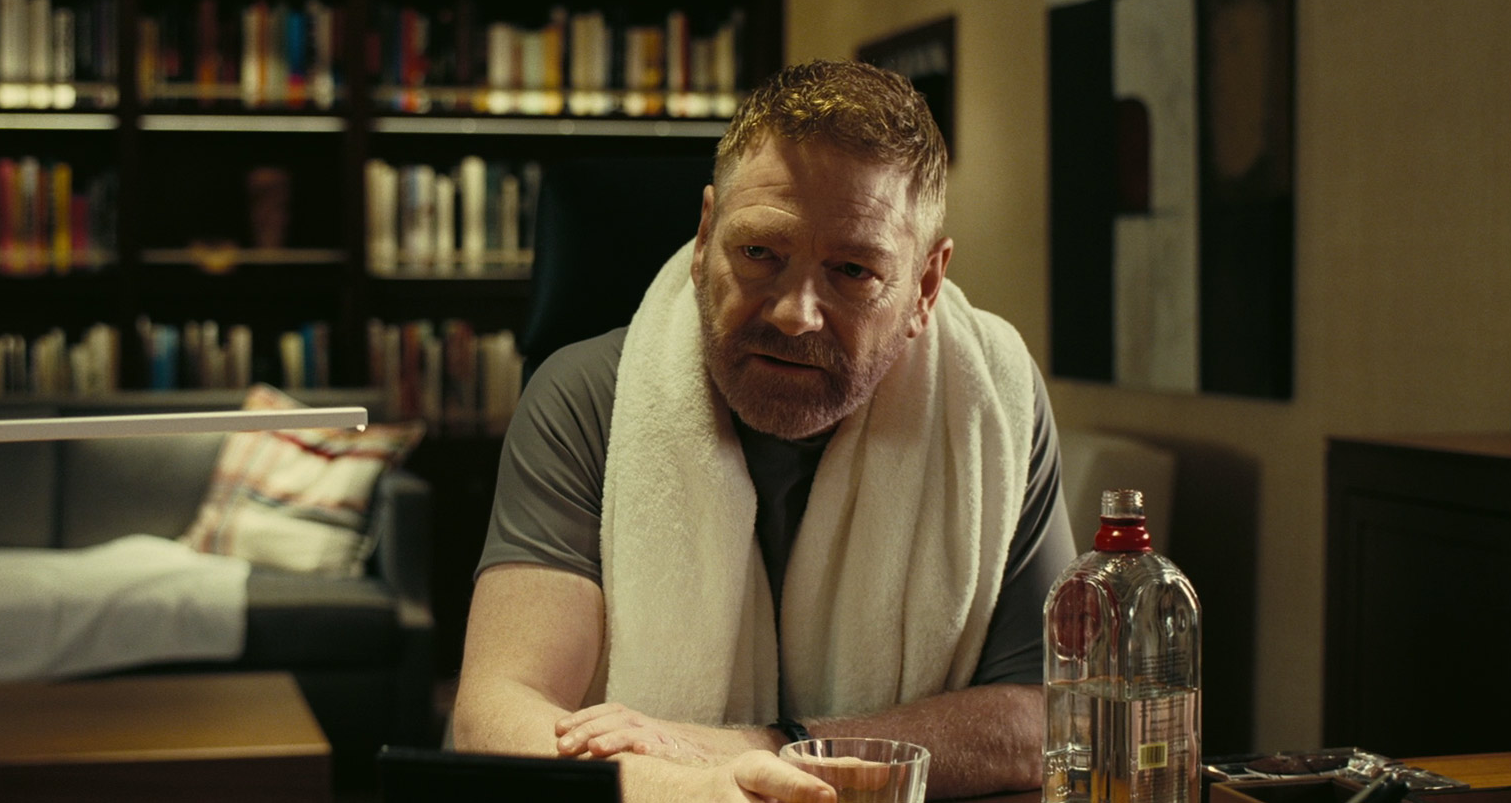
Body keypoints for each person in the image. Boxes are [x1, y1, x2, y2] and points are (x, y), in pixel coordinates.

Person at [450, 60, 1075, 803]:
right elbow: (495, 714)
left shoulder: (989, 402)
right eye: (759, 254)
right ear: (705, 235)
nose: (793, 313)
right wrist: (709, 791)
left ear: (925, 288)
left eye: (851, 270)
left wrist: (773, 747)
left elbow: (1048, 719)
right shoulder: (586, 397)